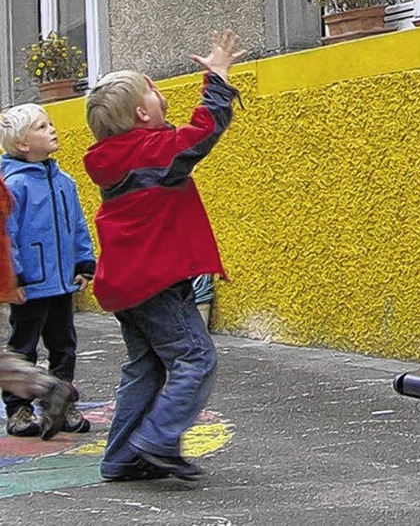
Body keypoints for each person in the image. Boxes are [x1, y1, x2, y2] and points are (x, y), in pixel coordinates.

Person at [84, 29, 245, 483]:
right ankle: (156, 440)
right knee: (196, 359)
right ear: (141, 113)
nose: (159, 92)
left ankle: (120, 457)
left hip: (126, 284)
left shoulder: (112, 156)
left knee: (147, 366)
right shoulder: (153, 152)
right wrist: (216, 80)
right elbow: (202, 133)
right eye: (152, 91)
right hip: (157, 284)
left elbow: (179, 137)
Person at [0, 105, 96, 438]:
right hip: (31, 285)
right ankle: (19, 409)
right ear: (22, 144)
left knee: (64, 343)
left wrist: (84, 263)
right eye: (42, 127)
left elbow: (78, 224)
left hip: (62, 282)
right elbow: (7, 234)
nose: (52, 129)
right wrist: (15, 277)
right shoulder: (14, 184)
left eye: (50, 123)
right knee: (23, 346)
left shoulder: (64, 182)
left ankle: (63, 402)